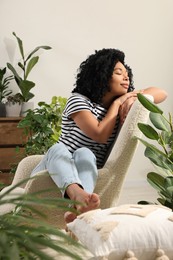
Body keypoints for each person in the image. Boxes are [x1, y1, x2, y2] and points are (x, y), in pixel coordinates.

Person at [31, 48, 167, 224]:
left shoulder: (119, 106)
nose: (126, 77)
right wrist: (118, 102)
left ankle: (81, 206)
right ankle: (76, 194)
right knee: (58, 149)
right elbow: (99, 134)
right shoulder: (79, 100)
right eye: (119, 73)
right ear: (101, 75)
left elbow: (161, 93)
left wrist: (132, 96)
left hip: (87, 168)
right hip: (52, 167)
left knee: (86, 154)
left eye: (127, 74)